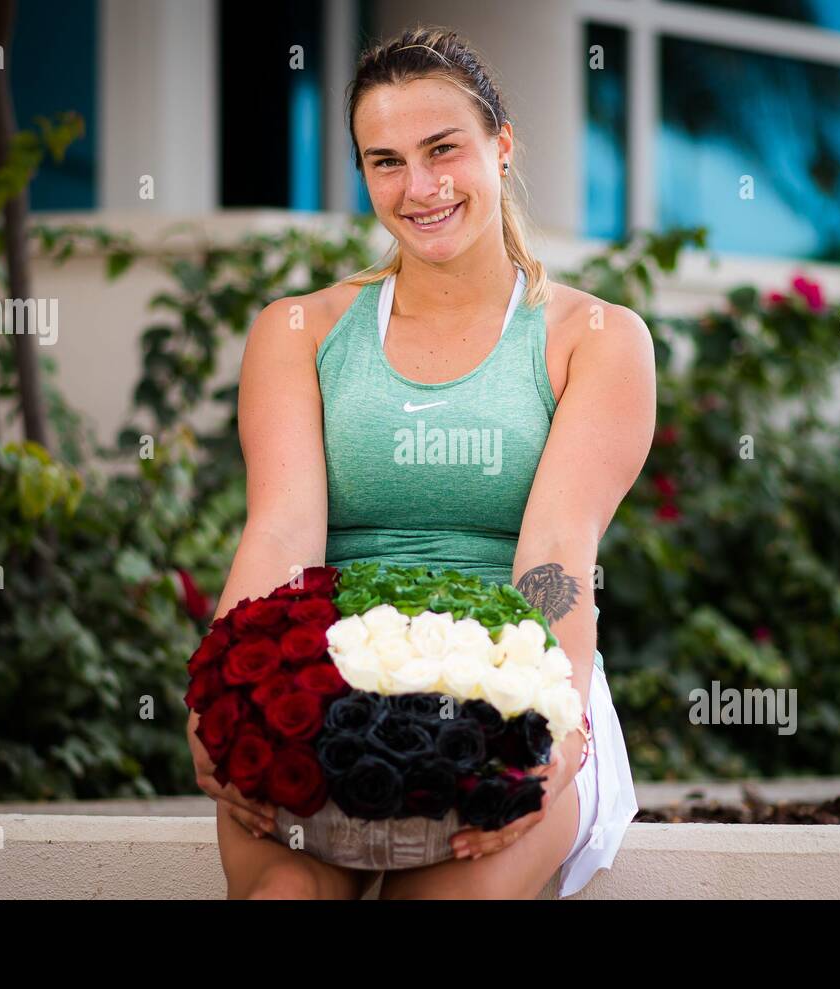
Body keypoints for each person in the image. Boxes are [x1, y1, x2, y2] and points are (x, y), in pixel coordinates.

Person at [187, 26, 654, 900]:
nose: (421, 187)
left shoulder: (594, 339)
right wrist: (219, 702)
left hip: (519, 689)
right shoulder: (301, 332)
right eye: (386, 161)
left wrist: (550, 726)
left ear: (501, 145)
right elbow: (281, 531)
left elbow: (556, 553)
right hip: (325, 692)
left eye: (445, 150)